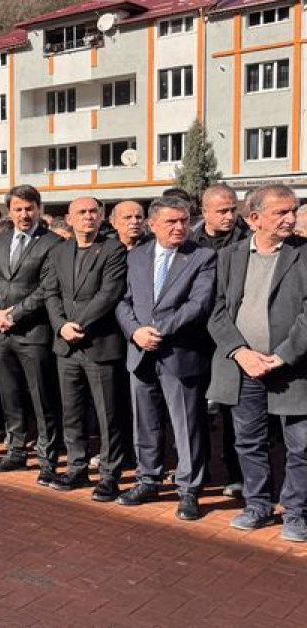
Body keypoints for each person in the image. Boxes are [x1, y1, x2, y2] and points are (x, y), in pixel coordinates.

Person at [207, 184, 307, 543]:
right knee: (249, 441)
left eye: (293, 210)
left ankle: (295, 512)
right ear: (254, 218)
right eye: (281, 212)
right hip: (244, 368)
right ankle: (259, 505)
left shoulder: (304, 254)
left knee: (302, 444)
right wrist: (240, 352)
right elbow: (217, 312)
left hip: (293, 369)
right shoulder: (230, 256)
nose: (290, 218)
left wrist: (282, 355)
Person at [115, 196, 217, 520]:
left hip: (179, 355)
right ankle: (147, 480)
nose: (180, 227)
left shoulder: (202, 256)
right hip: (140, 353)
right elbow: (123, 301)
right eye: (171, 221)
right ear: (153, 225)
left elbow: (198, 305)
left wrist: (156, 330)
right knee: (145, 423)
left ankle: (189, 490)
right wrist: (134, 332)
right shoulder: (137, 256)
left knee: (187, 427)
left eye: (185, 220)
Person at [42, 196, 130, 499]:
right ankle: (76, 468)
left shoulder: (113, 249)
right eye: (82, 212)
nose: (88, 217)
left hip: (99, 344)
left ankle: (109, 475)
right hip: (66, 346)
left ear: (102, 216)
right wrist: (61, 326)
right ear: (69, 217)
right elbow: (50, 293)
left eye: (93, 212)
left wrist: (77, 324)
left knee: (108, 415)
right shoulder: (59, 251)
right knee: (72, 412)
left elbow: (109, 293)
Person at [0, 185, 64, 481]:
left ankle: (47, 459)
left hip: (34, 333)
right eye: (18, 209)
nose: (24, 214)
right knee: (10, 396)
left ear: (39, 209)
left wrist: (13, 314)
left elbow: (46, 289)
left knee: (42, 399)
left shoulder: (53, 243)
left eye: (29, 208)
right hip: (0, 334)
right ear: (9, 211)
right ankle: (15, 451)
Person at [191, 183, 249, 497]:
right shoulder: (190, 241)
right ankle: (197, 470)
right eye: (221, 211)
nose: (229, 216)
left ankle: (236, 473)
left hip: (233, 336)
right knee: (194, 409)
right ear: (205, 212)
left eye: (232, 209)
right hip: (197, 337)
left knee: (234, 411)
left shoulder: (248, 239)